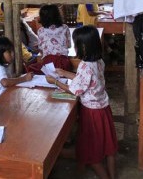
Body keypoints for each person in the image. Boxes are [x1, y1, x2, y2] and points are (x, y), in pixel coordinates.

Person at [46, 25, 117, 179]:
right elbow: (86, 81)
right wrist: (65, 73)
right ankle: (113, 176)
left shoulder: (85, 66)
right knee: (108, 148)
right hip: (104, 109)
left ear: (83, 47)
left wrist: (55, 82)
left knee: (92, 155)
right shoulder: (99, 61)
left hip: (92, 113)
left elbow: (74, 91)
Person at [0, 36, 33, 103]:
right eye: (9, 52)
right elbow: (5, 83)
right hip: (1, 104)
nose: (13, 54)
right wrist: (24, 78)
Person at [26, 4, 72, 74]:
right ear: (58, 15)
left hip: (49, 63)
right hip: (65, 63)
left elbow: (41, 50)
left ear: (42, 18)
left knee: (31, 68)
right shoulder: (65, 27)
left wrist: (40, 47)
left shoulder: (41, 31)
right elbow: (68, 45)